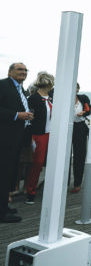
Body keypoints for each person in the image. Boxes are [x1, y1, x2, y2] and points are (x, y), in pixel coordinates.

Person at [0, 63, 33, 223]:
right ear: (10, 71)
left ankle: (4, 207)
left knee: (9, 174)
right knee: (3, 174)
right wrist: (16, 115)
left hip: (17, 138)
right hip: (4, 138)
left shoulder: (21, 89)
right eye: (20, 69)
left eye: (26, 70)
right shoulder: (2, 85)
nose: (24, 72)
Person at [23, 72, 54, 205]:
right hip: (38, 135)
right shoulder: (33, 99)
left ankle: (48, 188)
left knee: (51, 163)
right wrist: (30, 138)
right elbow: (28, 121)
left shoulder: (52, 98)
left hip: (51, 134)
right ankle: (31, 191)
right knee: (37, 163)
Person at [70, 83, 91, 193]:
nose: (75, 89)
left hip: (80, 128)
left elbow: (89, 110)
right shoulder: (64, 98)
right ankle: (65, 181)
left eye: (76, 87)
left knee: (80, 155)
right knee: (65, 157)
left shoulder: (83, 97)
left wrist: (84, 112)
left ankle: (77, 183)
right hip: (67, 128)